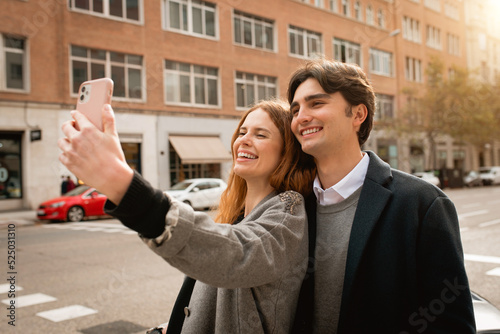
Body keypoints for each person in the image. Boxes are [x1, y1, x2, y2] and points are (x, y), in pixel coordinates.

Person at [58, 99, 316, 333]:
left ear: (287, 153)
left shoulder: (287, 210)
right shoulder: (237, 214)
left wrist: (122, 184)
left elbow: (235, 255)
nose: (244, 140)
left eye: (261, 134)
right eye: (242, 132)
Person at [287, 59, 476, 334]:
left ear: (358, 114)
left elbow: (451, 324)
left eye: (316, 104)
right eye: (295, 109)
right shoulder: (292, 205)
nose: (301, 117)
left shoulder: (422, 204)